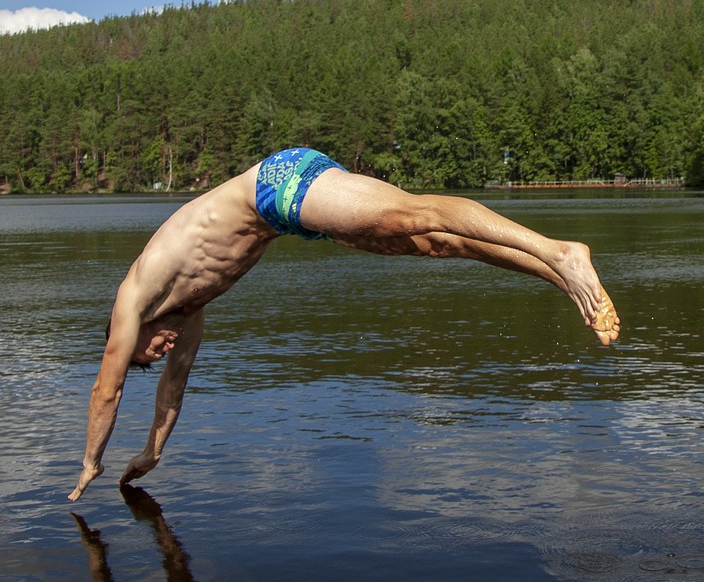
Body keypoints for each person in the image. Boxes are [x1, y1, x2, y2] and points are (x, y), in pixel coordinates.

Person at [68, 147, 620, 501]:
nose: (158, 352)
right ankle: (556, 274)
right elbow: (172, 390)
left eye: (147, 351)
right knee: (432, 244)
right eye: (155, 355)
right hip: (289, 216)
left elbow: (106, 388)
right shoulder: (187, 315)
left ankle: (560, 251)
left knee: (414, 213)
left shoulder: (134, 298)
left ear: (128, 335)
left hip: (276, 185)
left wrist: (92, 462)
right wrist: (152, 452)